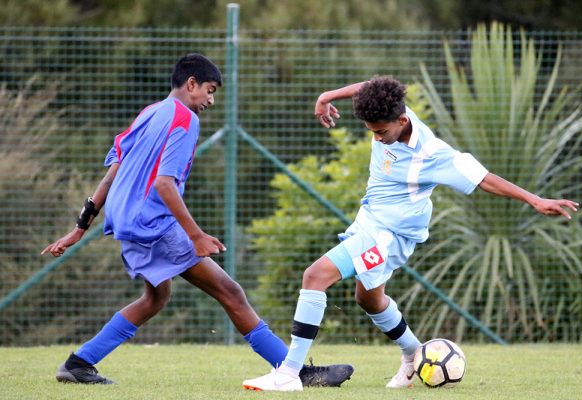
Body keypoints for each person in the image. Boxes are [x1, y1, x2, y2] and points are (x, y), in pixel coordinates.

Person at [242, 76, 579, 391]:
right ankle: (412, 355)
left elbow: (484, 178)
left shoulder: (432, 154)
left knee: (314, 276)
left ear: (402, 122)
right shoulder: (390, 109)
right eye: (371, 131)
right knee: (368, 298)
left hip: (389, 235)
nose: (376, 137)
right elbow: (372, 85)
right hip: (369, 220)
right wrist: (327, 96)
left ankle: (288, 374)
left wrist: (535, 200)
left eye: (380, 132)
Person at [41, 53, 353, 388]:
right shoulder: (184, 119)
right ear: (191, 84)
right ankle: (297, 373)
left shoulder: (149, 112)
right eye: (210, 89)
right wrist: (196, 235)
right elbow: (164, 183)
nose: (211, 99)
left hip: (128, 223)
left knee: (155, 299)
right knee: (230, 291)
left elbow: (111, 174)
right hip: (153, 225)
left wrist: (80, 227)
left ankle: (79, 363)